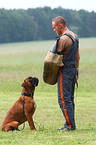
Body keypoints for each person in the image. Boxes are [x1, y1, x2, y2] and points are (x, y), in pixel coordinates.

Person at [52, 16, 80, 131]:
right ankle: (69, 124)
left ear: (60, 26)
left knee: (63, 99)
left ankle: (69, 126)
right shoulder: (75, 36)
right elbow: (77, 56)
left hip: (65, 70)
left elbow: (53, 58)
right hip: (73, 69)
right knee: (70, 98)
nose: (54, 30)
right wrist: (76, 71)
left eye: (54, 27)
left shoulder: (63, 39)